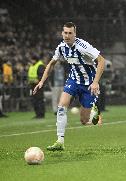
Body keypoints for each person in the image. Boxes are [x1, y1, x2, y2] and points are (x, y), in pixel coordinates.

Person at [33, 22, 105, 151]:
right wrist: (41, 82)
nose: (67, 35)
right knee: (61, 107)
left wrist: (95, 82)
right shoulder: (61, 47)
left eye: (70, 33)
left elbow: (101, 61)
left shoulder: (83, 46)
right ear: (62, 33)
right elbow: (51, 64)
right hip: (73, 80)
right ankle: (60, 141)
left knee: (84, 121)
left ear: (75, 34)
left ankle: (95, 114)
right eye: (65, 33)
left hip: (89, 84)